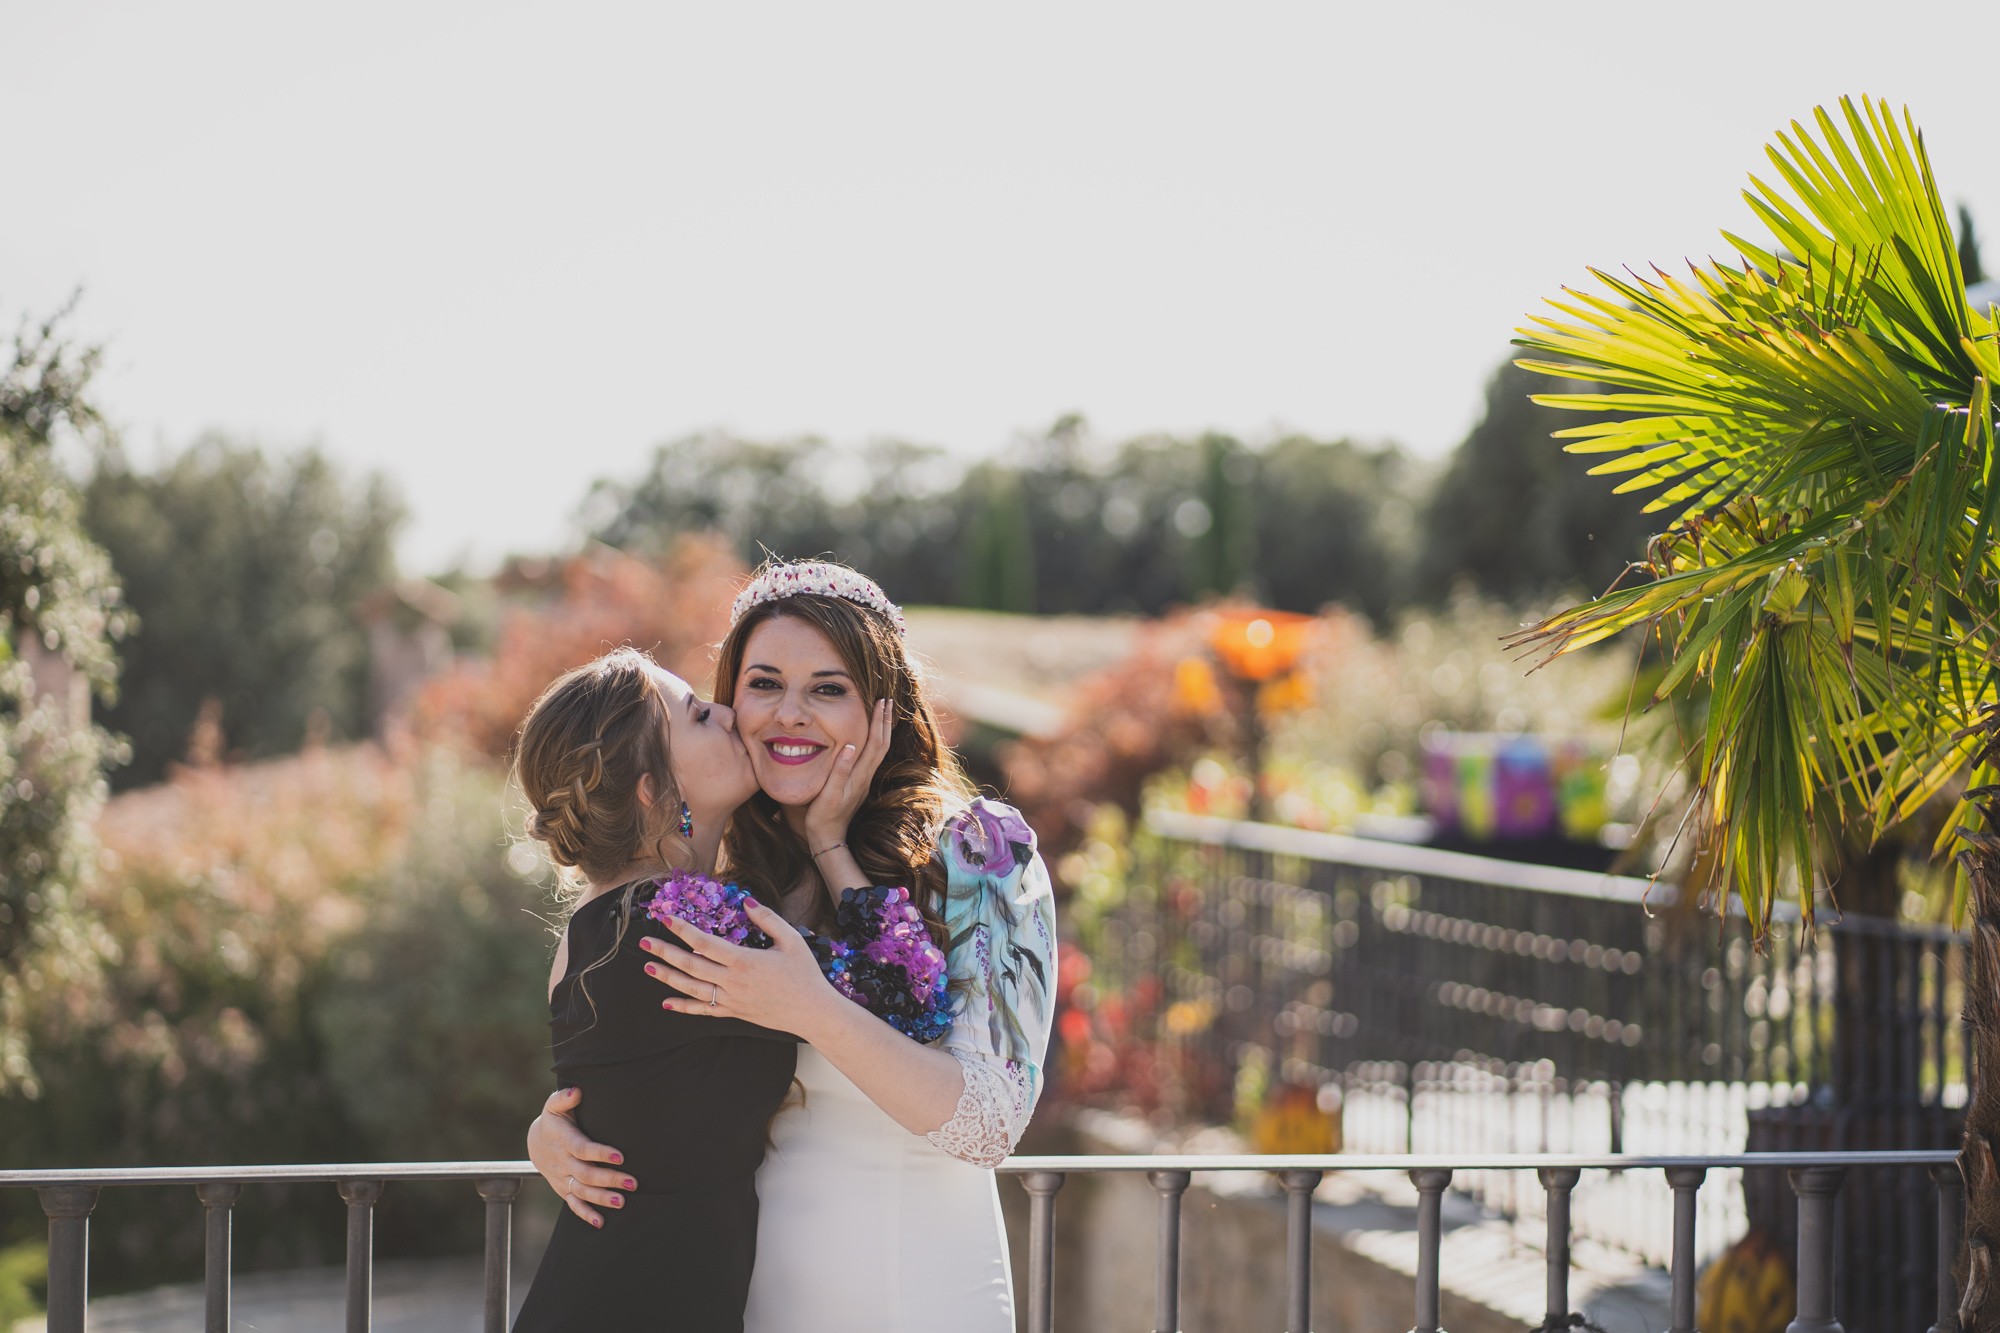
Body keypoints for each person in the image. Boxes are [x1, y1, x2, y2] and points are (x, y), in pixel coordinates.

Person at [527, 562, 1059, 1332]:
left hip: (912, 1298)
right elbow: (649, 1064)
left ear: (884, 704)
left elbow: (991, 1124)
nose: (789, 714)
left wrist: (813, 993)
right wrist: (561, 1131)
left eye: (828, 688)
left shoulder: (980, 852)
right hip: (745, 1308)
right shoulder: (728, 877)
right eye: (764, 683)